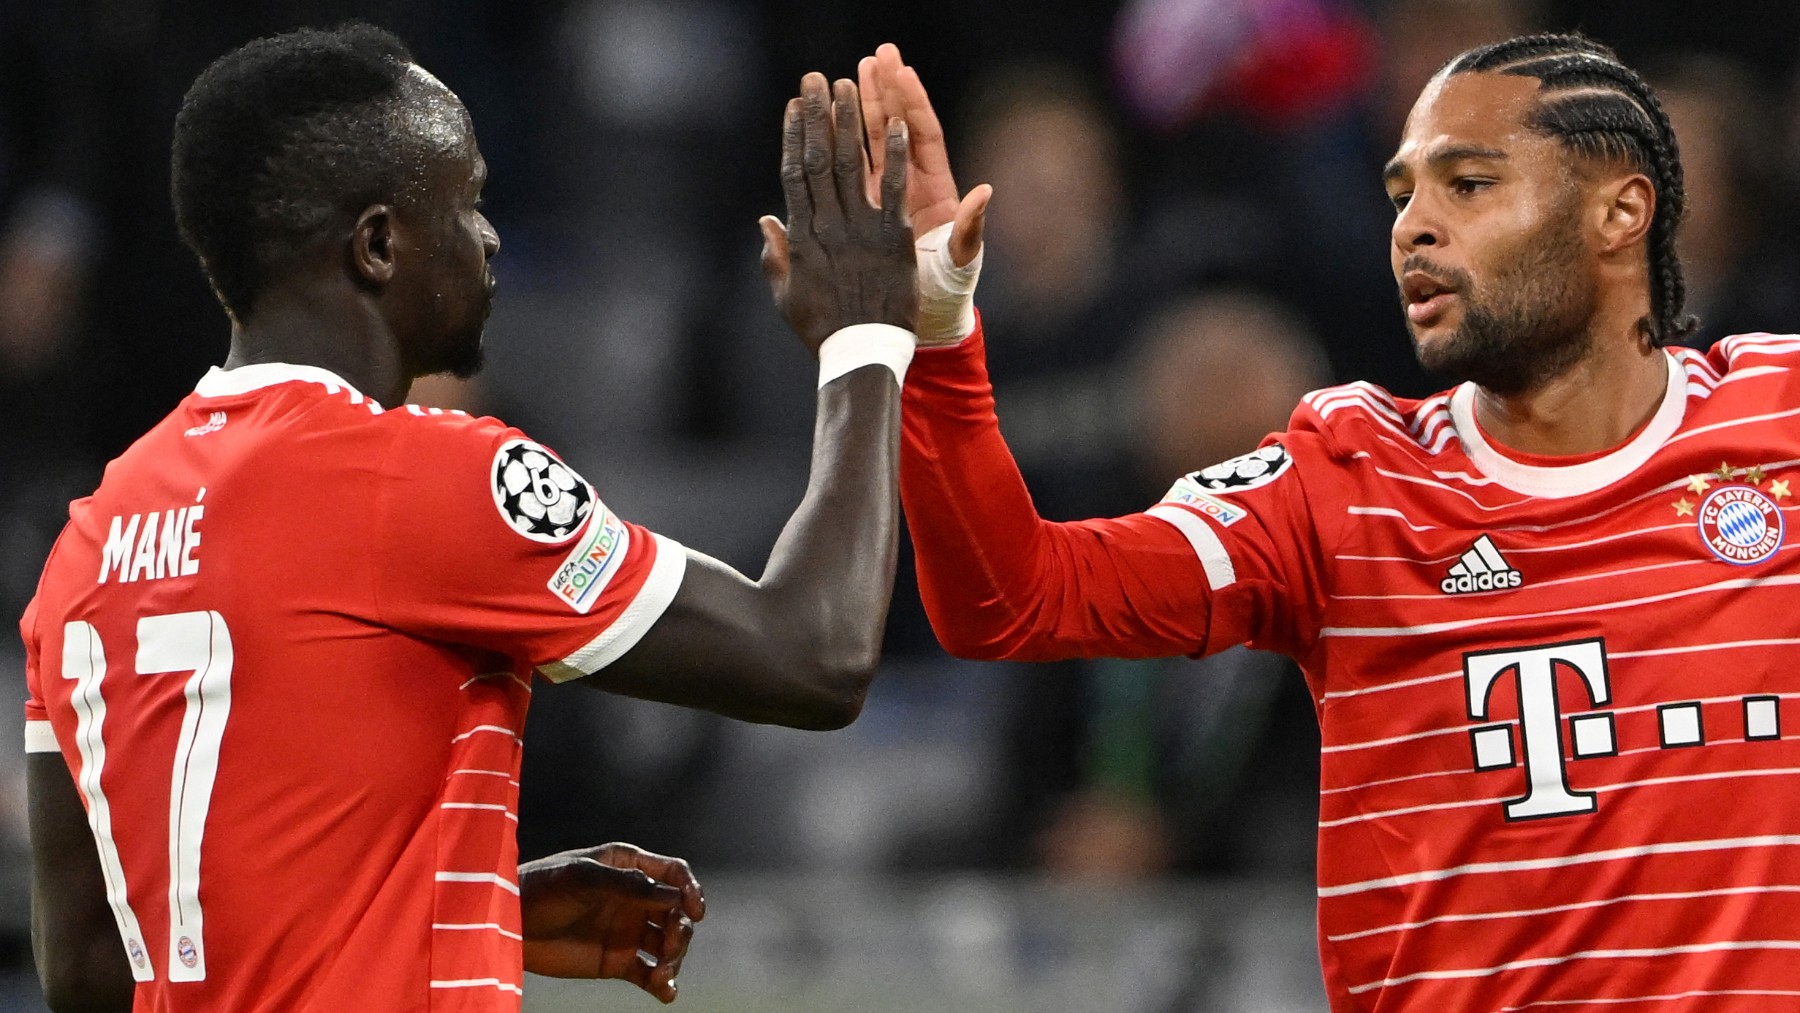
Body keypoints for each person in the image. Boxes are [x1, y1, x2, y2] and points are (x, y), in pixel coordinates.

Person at [844, 36, 1800, 1010]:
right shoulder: (1346, 477)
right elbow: (1011, 599)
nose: (1415, 229)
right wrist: (934, 327)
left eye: (1467, 185)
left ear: (1619, 212)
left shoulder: (1780, 414)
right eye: (1401, 195)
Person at [23, 23, 918, 1012]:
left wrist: (484, 898)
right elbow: (814, 651)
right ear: (377, 245)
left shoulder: (90, 539)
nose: (490, 238)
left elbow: (93, 961)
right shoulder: (428, 480)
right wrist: (865, 338)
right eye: (468, 201)